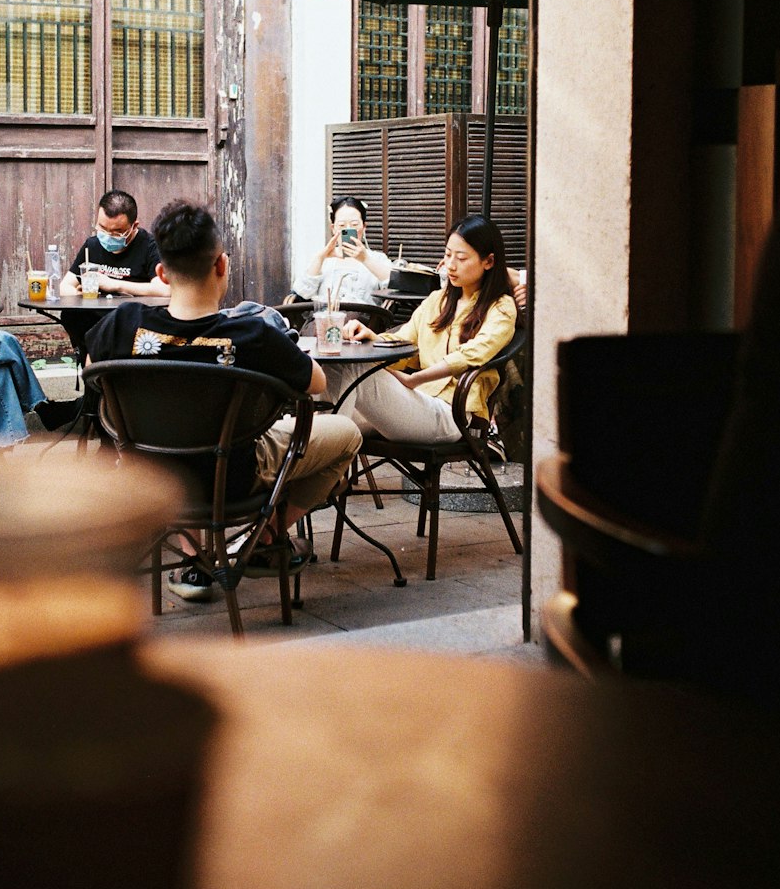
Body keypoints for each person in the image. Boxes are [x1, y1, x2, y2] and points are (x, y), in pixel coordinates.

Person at [84, 200, 362, 603]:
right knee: (348, 434)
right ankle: (262, 537)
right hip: (234, 475)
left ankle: (194, 560)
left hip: (152, 474)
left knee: (179, 438)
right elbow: (316, 383)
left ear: (161, 273)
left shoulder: (121, 325)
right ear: (221, 266)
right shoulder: (253, 335)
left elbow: (93, 372)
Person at [326, 214, 518, 447]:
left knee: (350, 374)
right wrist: (370, 336)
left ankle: (328, 457)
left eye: (461, 258)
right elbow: (403, 342)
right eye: (447, 255)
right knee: (329, 379)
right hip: (416, 401)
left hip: (450, 414)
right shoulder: (438, 300)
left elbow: (472, 355)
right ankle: (326, 467)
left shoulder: (501, 307)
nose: (451, 265)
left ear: (488, 261)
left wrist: (415, 379)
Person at [60, 189, 171, 299]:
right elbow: (65, 287)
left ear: (134, 226)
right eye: (102, 228)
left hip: (131, 314)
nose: (108, 236)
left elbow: (165, 289)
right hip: (94, 314)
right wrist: (79, 294)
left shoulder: (150, 246)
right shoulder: (92, 246)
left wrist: (114, 285)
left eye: (117, 232)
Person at [291, 196, 391, 306]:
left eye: (354, 224)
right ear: (333, 228)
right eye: (342, 225)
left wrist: (366, 259)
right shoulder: (323, 259)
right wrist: (320, 259)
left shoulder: (377, 259)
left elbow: (394, 287)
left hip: (364, 322)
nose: (348, 230)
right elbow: (302, 293)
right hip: (324, 320)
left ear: (364, 227)